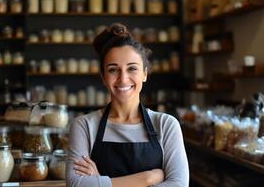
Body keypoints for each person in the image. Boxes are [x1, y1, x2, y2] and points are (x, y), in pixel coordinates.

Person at [66, 23, 189, 187]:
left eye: (132, 69)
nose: (123, 79)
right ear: (103, 77)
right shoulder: (83, 126)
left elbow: (179, 185)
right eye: (113, 70)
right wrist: (148, 178)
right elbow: (76, 184)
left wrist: (100, 180)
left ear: (145, 74)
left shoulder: (166, 125)